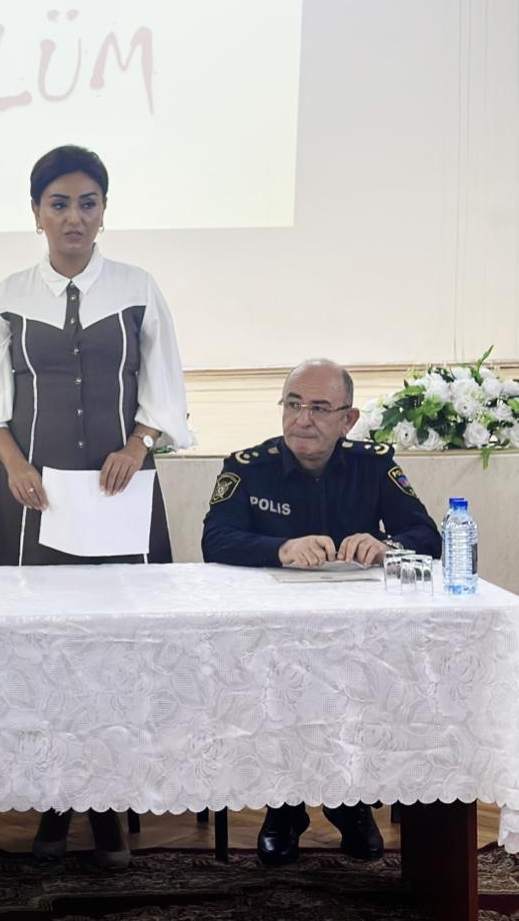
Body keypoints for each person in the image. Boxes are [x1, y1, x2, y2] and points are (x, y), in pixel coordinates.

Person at [0, 144, 191, 868]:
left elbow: (164, 389)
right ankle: (53, 801)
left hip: (119, 496)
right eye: (58, 204)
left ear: (103, 211)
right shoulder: (7, 295)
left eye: (87, 203)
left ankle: (111, 807)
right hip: (36, 502)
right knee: (43, 653)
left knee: (117, 654)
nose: (73, 218)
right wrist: (15, 463)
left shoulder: (137, 287)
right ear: (36, 213)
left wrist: (139, 442)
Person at [201, 358, 442, 867]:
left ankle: (351, 801)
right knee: (277, 688)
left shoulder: (373, 464)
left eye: (318, 408)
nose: (302, 419)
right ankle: (284, 809)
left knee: (367, 685)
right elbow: (215, 539)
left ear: (347, 420)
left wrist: (386, 545)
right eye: (293, 404)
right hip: (271, 632)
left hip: (358, 634)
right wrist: (280, 549)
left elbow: (428, 536)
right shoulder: (248, 466)